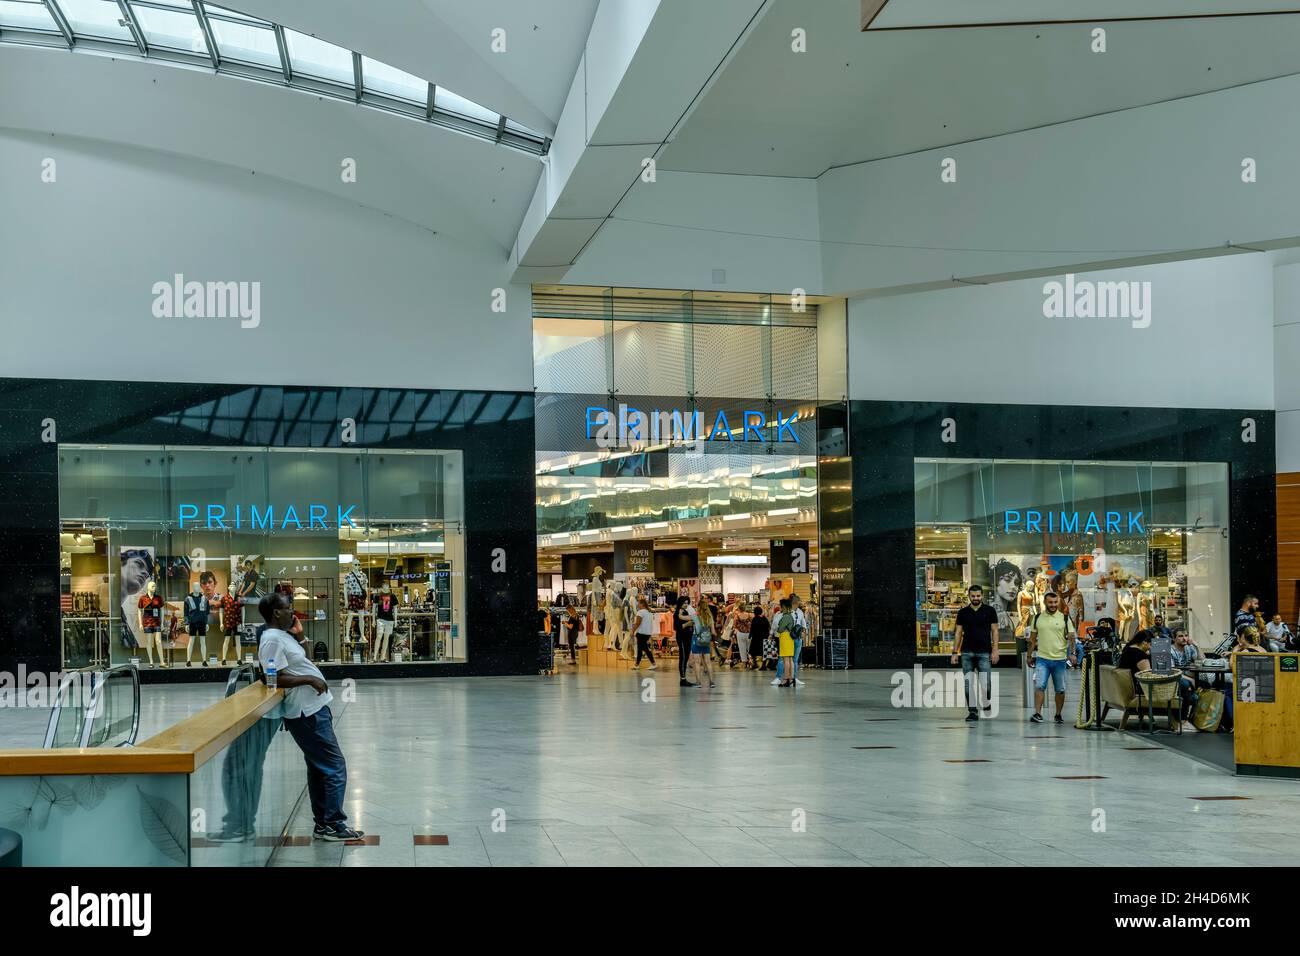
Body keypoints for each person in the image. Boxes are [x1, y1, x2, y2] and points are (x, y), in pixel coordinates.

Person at [257, 592, 363, 842]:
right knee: (335, 766)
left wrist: (300, 635)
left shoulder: (282, 635)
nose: (292, 610)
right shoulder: (270, 639)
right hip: (306, 712)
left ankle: (323, 824)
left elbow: (300, 661)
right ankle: (334, 823)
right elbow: (273, 677)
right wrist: (310, 679)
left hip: (313, 708)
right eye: (288, 607)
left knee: (318, 767)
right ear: (276, 612)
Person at [951, 583, 999, 721]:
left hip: (985, 653)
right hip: (967, 653)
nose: (976, 598)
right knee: (968, 684)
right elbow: (958, 633)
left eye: (978, 596)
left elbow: (995, 631)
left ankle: (986, 700)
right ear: (969, 596)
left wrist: (995, 650)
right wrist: (955, 652)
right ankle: (972, 711)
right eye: (973, 596)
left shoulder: (990, 611)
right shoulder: (963, 612)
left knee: (986, 684)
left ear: (982, 596)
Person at [1027, 590, 1076, 724]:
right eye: (1050, 602)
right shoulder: (1037, 618)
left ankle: (1058, 714)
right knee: (1040, 685)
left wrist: (1073, 654)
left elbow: (1072, 638)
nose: (1053, 605)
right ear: (1045, 603)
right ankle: (1037, 713)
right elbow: (1032, 639)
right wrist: (1029, 655)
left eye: (1055, 602)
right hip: (1042, 659)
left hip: (1060, 660)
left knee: (1060, 689)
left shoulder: (1065, 618)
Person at [1168, 628, 1200, 732]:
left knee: (1205, 685)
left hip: (1188, 677)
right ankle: (1182, 720)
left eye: (1186, 635)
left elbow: (1201, 659)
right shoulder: (1170, 650)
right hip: (1173, 678)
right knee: (1186, 685)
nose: (1184, 638)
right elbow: (1172, 671)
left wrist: (1196, 645)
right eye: (1180, 636)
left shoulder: (1189, 648)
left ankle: (1192, 719)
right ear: (1174, 638)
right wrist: (1190, 680)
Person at [690, 600, 716, 687]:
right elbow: (713, 632)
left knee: (697, 662)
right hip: (706, 640)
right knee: (708, 662)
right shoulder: (710, 617)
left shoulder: (695, 616)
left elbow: (683, 618)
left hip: (696, 639)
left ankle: (698, 682)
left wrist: (680, 614)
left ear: (698, 607)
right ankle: (711, 682)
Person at [674, 596, 698, 687]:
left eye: (687, 603)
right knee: (683, 657)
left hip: (688, 637)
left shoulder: (685, 612)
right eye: (684, 603)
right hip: (682, 637)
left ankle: (683, 678)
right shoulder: (677, 613)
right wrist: (687, 624)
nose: (686, 604)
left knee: (686, 657)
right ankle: (683, 679)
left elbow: (693, 619)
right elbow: (676, 627)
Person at [773, 598, 796, 688]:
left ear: (784, 607)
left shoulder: (785, 617)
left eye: (781, 607)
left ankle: (786, 679)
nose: (780, 609)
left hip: (785, 637)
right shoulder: (791, 616)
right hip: (790, 638)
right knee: (790, 659)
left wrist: (778, 628)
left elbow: (780, 629)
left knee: (785, 659)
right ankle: (791, 678)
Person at [630, 596, 657, 671]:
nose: (637, 605)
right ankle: (637, 664)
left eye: (638, 603)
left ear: (642, 604)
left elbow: (638, 623)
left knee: (644, 648)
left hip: (641, 633)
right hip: (647, 633)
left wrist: (632, 630)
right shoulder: (649, 612)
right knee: (640, 648)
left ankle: (653, 663)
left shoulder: (640, 612)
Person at [788, 594, 809, 686]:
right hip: (789, 638)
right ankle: (787, 678)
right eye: (796, 603)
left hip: (798, 638)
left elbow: (804, 623)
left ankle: (794, 678)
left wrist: (803, 632)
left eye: (798, 603)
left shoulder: (800, 612)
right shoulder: (787, 612)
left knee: (795, 659)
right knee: (787, 659)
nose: (797, 605)